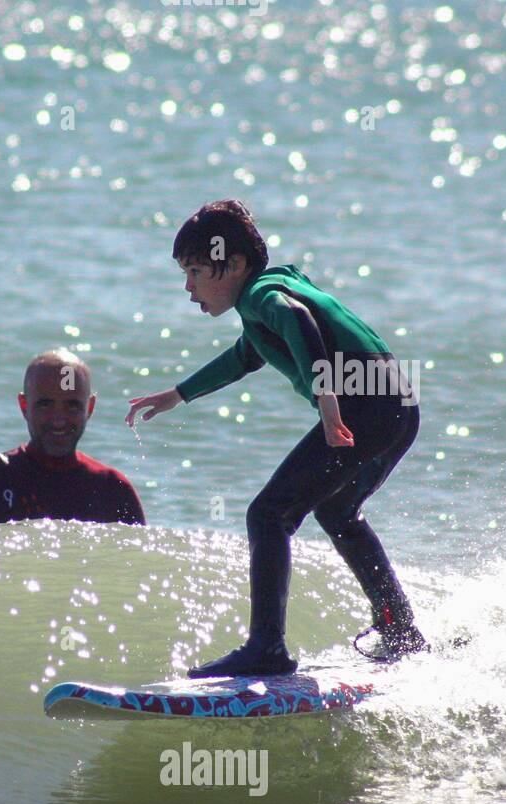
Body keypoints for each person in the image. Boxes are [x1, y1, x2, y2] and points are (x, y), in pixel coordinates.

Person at [126, 199, 426, 678]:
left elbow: (297, 322)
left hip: (364, 408)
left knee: (268, 514)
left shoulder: (264, 295)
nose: (188, 288)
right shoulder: (270, 293)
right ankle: (399, 628)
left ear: (236, 263)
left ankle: (267, 646)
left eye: (197, 271)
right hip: (398, 407)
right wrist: (179, 395)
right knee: (336, 511)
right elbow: (248, 355)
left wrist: (327, 400)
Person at [0, 350, 145, 525]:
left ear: (89, 408)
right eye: (45, 404)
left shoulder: (114, 491)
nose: (59, 420)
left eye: (72, 405)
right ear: (24, 405)